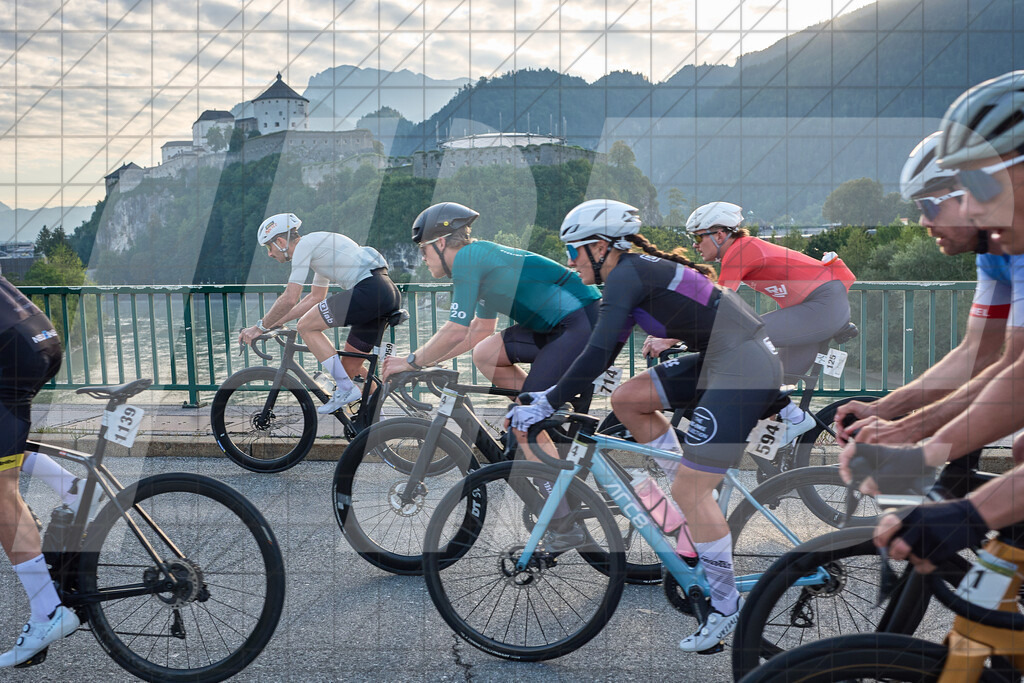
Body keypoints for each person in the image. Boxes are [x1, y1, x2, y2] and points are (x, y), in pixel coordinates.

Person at [507, 199, 783, 652]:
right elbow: (602, 355)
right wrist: (552, 395)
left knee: (690, 491)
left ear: (599, 247)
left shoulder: (626, 276)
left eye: (573, 251)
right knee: (628, 398)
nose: (570, 261)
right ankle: (690, 502)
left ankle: (726, 604)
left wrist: (547, 401)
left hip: (741, 367)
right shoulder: (631, 275)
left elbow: (594, 354)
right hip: (728, 359)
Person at [840, 72, 1024, 496]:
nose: (922, 221)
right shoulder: (995, 254)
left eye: (928, 205)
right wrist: (884, 410)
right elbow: (975, 356)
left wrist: (908, 434)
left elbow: (1014, 369)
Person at [644, 201, 855, 445]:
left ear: (720, 234)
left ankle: (797, 420)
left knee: (750, 340)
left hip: (822, 306)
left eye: (699, 237)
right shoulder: (742, 250)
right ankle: (772, 461)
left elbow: (716, 305)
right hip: (815, 309)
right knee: (773, 384)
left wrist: (669, 337)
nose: (695, 244)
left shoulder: (740, 250)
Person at [238, 213, 401, 414]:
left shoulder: (304, 247)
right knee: (349, 368)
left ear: (280, 241)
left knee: (306, 326)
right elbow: (315, 297)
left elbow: (291, 297)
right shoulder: (318, 249)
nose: (270, 254)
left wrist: (258, 328)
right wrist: (275, 322)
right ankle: (379, 423)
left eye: (268, 247)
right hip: (384, 291)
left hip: (369, 290)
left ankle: (344, 389)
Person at [0, 276, 80, 666]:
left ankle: (49, 612)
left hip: (11, 349)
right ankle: (73, 489)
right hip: (39, 333)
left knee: (0, 494)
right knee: (5, 444)